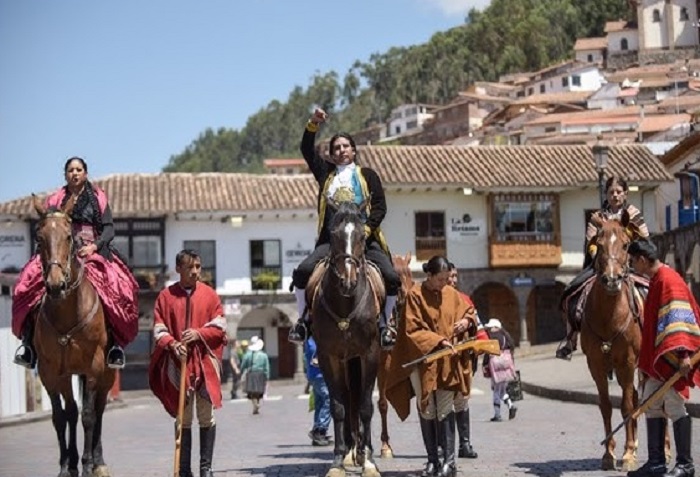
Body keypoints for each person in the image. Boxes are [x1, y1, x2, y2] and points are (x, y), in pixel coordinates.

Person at [288, 107, 401, 349]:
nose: (341, 151)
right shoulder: (325, 174)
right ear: (332, 154)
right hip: (331, 242)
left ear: (354, 150)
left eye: (345, 146)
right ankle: (303, 321)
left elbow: (380, 208)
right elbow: (307, 149)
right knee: (302, 272)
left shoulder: (369, 176)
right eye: (336, 148)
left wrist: (367, 231)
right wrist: (313, 124)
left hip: (365, 240)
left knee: (391, 277)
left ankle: (385, 324)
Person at [12, 156, 139, 369]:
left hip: (92, 249)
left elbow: (109, 229)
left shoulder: (98, 197)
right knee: (25, 285)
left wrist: (94, 246)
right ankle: (28, 344)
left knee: (120, 287)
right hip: (59, 251)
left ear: (85, 173)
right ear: (65, 174)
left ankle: (114, 344)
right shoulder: (55, 200)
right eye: (71, 170)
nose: (75, 173)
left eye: (79, 169)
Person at [385, 255, 476, 477]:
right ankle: (432, 460)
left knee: (445, 407)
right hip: (423, 361)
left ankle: (449, 462)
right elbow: (412, 330)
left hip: (447, 360)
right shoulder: (415, 295)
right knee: (427, 409)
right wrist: (437, 341)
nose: (444, 283)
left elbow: (469, 313)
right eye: (440, 279)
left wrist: (466, 322)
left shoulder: (452, 294)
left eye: (447, 279)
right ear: (429, 275)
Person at [148, 249, 227, 477]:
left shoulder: (210, 295)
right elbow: (159, 328)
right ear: (178, 269)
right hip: (178, 364)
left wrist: (199, 333)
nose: (195, 272)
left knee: (206, 416)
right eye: (190, 267)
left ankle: (206, 469)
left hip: (203, 364)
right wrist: (173, 344)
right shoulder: (166, 296)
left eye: (198, 267)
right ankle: (184, 470)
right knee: (183, 418)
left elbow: (220, 326)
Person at [626, 239, 700, 477]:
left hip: (674, 358)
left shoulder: (669, 280)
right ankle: (657, 462)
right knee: (651, 404)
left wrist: (684, 355)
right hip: (657, 359)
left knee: (675, 406)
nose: (631, 266)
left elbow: (682, 319)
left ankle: (686, 464)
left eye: (632, 262)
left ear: (642, 260)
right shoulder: (655, 280)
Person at [557, 176, 649, 360]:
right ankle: (571, 338)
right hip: (601, 266)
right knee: (570, 293)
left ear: (625, 194)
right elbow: (590, 243)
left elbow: (645, 239)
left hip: (630, 265)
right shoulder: (598, 218)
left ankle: (656, 334)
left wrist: (628, 255)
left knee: (652, 291)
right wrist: (602, 258)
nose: (615, 195)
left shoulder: (633, 214)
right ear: (606, 194)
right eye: (611, 192)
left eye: (618, 192)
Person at [447, 262, 485, 459]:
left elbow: (477, 324)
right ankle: (444, 449)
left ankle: (465, 444)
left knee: (462, 401)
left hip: (463, 359)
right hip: (441, 360)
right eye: (450, 276)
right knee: (443, 405)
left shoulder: (465, 299)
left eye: (455, 276)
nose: (453, 280)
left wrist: (483, 345)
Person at [482, 318, 518, 422]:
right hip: (506, 363)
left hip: (495, 364)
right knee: (502, 389)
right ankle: (511, 405)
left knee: (496, 390)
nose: (489, 329)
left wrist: (485, 365)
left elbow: (487, 353)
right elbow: (511, 349)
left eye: (490, 327)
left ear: (495, 327)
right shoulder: (506, 336)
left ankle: (497, 414)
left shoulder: (491, 338)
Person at [304, 336, 332, 446]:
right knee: (329, 399)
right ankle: (320, 429)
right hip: (320, 374)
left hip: (313, 375)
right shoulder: (316, 343)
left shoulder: (309, 341)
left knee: (319, 402)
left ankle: (317, 431)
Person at [239, 335, 270, 415]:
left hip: (251, 373)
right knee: (259, 391)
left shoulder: (248, 355)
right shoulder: (264, 355)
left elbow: (243, 365)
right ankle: (256, 406)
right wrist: (267, 376)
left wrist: (241, 371)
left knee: (252, 392)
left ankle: (255, 405)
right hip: (261, 374)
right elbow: (266, 366)